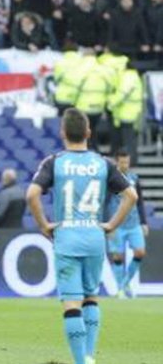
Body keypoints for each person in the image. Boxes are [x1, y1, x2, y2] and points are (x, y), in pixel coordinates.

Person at [27, 108, 137, 364]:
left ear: (62, 133)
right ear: (88, 133)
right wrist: (111, 224)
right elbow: (131, 196)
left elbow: (32, 194)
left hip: (66, 237)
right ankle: (89, 356)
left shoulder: (54, 162)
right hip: (94, 237)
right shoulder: (103, 163)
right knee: (91, 297)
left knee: (71, 303)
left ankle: (80, 362)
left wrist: (44, 224)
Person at [106, 150, 148, 299]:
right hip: (117, 224)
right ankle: (121, 289)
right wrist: (108, 225)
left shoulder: (134, 178)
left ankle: (124, 283)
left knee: (140, 252)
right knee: (118, 256)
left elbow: (140, 202)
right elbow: (105, 203)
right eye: (122, 162)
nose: (125, 165)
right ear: (117, 162)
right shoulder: (111, 180)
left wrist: (144, 222)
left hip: (134, 223)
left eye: (127, 162)